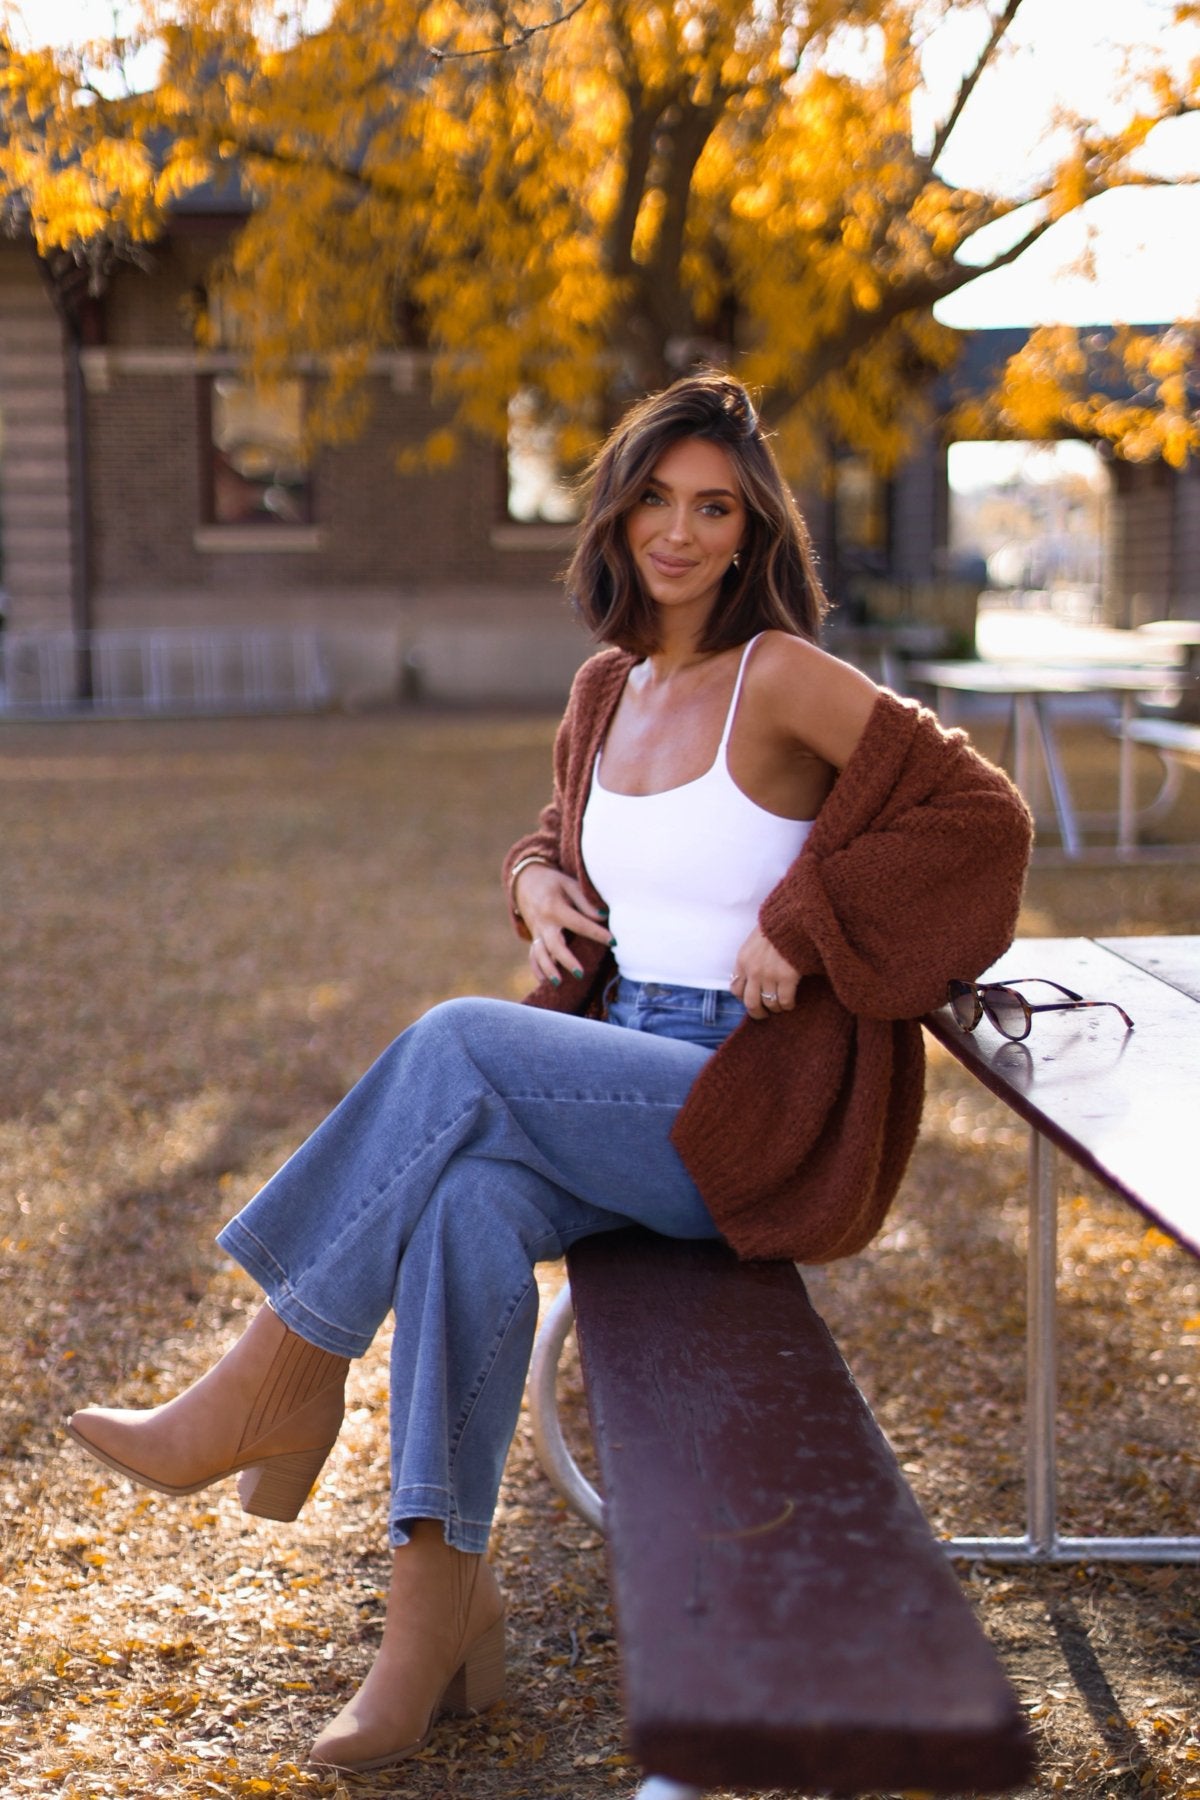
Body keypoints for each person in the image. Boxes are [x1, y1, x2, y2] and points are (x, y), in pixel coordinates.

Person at [66, 371, 1033, 1774]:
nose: (681, 532)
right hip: (612, 1070)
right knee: (464, 1215)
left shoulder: (786, 677)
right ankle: (433, 1630)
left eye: (715, 507)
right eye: (656, 499)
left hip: (738, 1107)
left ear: (754, 527)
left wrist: (805, 925)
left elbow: (983, 821)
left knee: (459, 1040)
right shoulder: (609, 689)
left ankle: (276, 1373)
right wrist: (531, 884)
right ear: (618, 511)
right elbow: (561, 836)